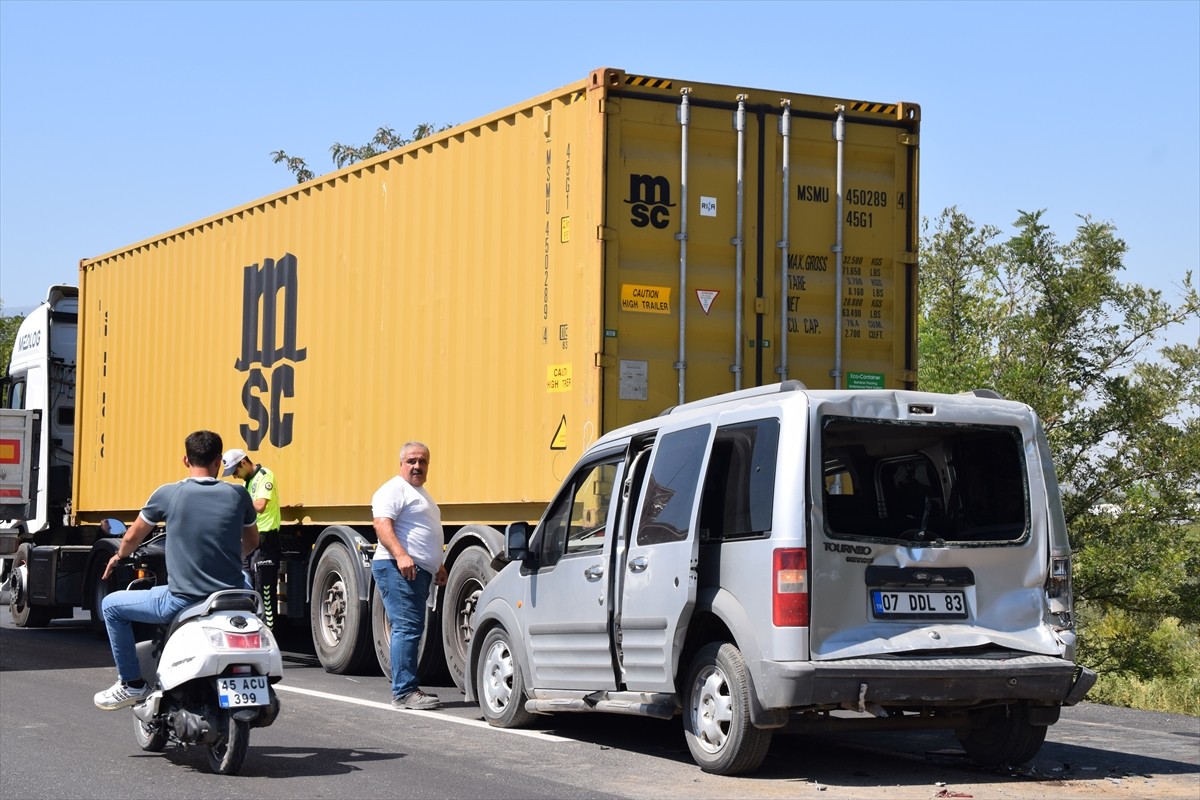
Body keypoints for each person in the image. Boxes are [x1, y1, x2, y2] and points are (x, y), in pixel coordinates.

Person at [94, 430, 258, 711]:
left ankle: (131, 683)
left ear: (185, 460)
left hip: (182, 600)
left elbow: (133, 536)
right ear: (219, 461)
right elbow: (252, 542)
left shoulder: (168, 494)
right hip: (230, 598)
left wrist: (119, 556)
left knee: (111, 606)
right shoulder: (238, 494)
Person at [371, 441, 447, 710]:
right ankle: (403, 692)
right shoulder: (394, 489)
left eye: (423, 461)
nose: (417, 466)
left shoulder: (419, 493)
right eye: (412, 461)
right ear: (401, 463)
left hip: (416, 570)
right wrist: (402, 555)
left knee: (411, 627)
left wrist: (437, 565)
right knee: (406, 627)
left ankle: (406, 688)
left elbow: (420, 531)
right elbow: (381, 523)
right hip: (396, 566)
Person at [222, 448, 281, 628]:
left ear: (244, 462)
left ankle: (269, 632)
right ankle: (252, 627)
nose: (235, 476)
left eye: (236, 471)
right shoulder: (248, 483)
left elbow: (261, 505)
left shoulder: (264, 475)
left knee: (264, 591)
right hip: (250, 542)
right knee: (247, 587)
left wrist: (237, 501)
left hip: (265, 542)